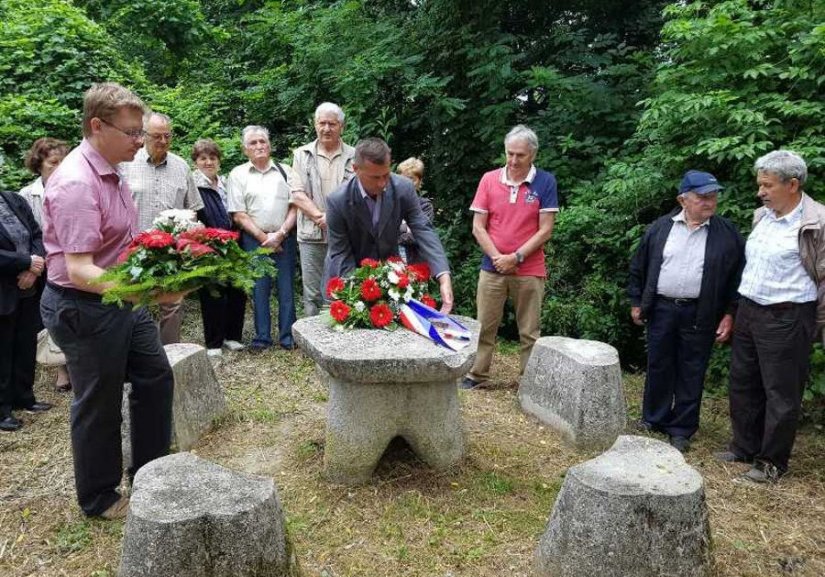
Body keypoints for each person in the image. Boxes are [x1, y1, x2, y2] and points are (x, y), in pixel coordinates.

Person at [40, 82, 176, 519]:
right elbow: (80, 268)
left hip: (118, 297)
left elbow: (121, 243)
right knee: (99, 402)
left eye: (142, 132)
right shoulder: (77, 183)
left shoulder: (113, 167)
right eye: (133, 132)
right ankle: (99, 498)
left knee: (155, 375)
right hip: (83, 305)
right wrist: (151, 292)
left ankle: (151, 474)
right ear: (97, 126)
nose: (140, 141)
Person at [716, 150, 825, 483]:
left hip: (787, 315)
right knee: (744, 381)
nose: (760, 192)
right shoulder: (763, 216)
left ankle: (770, 463)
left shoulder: (817, 223)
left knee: (781, 391)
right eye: (759, 184)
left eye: (767, 185)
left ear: (792, 184)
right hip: (751, 309)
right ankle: (744, 447)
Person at [628, 170, 745, 452]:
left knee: (692, 369)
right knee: (659, 364)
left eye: (713, 196)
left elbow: (738, 278)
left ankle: (681, 428)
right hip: (663, 309)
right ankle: (653, 418)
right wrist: (636, 301)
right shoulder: (660, 228)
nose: (710, 202)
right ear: (683, 199)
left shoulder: (727, 233)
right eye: (703, 197)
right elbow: (638, 267)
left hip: (701, 312)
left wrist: (730, 313)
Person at [461, 125, 557, 390]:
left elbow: (546, 229)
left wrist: (515, 257)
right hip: (491, 267)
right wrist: (497, 257)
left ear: (533, 155)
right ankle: (477, 374)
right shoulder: (489, 179)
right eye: (509, 153)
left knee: (529, 330)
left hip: (529, 268)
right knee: (484, 325)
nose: (514, 161)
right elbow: (478, 227)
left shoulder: (546, 182)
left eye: (520, 155)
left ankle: (530, 381)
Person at [323, 137, 453, 312]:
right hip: (346, 278)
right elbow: (340, 254)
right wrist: (362, 296)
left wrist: (443, 276)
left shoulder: (404, 188)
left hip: (389, 279)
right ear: (355, 169)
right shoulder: (337, 201)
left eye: (386, 174)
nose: (383, 183)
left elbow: (423, 229)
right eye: (375, 177)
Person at [120, 111, 203, 344]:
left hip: (171, 251)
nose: (164, 141)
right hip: (134, 250)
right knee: (135, 303)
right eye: (157, 136)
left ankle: (170, 356)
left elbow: (193, 208)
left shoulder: (181, 166)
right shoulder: (126, 164)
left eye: (168, 136)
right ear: (143, 135)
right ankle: (136, 357)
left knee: (173, 305)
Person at [227, 125, 298, 351]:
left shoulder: (286, 170)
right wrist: (264, 238)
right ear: (244, 149)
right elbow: (238, 214)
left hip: (285, 236)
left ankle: (288, 336)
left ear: (269, 144)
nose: (259, 146)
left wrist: (280, 234)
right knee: (259, 289)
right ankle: (262, 337)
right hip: (253, 240)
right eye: (253, 143)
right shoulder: (237, 174)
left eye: (262, 141)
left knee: (286, 289)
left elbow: (295, 206)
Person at [289, 102, 356, 316]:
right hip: (311, 234)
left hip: (345, 235)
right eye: (322, 123)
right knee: (312, 293)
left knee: (344, 289)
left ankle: (340, 341)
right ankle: (311, 343)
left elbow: (358, 195)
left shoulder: (355, 155)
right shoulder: (301, 154)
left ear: (341, 127)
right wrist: (321, 217)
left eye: (332, 124)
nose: (326, 128)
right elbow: (297, 193)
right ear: (315, 124)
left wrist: (333, 218)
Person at [19, 137, 72, 392]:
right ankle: (61, 367)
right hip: (43, 264)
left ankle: (76, 362)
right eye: (53, 163)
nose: (59, 168)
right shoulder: (27, 195)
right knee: (53, 317)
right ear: (39, 164)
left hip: (72, 261)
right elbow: (25, 234)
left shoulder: (75, 188)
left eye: (64, 162)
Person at [0, 189, 51, 432]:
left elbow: (37, 235)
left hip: (28, 287)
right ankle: (2, 409)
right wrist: (25, 263)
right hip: (4, 289)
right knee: (2, 349)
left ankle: (24, 397)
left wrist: (34, 267)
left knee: (24, 343)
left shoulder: (13, 199)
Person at [191, 139, 247, 356]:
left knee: (236, 290)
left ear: (219, 161)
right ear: (196, 161)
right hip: (209, 247)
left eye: (212, 158)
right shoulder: (195, 186)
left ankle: (233, 337)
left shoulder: (225, 183)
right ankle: (214, 342)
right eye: (203, 158)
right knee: (213, 293)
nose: (208, 162)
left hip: (234, 244)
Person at [396, 157, 435, 264]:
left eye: (411, 179)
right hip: (391, 265)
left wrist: (395, 237)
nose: (407, 183)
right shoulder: (390, 204)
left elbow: (418, 235)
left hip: (416, 263)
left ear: (420, 181)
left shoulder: (425, 206)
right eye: (403, 179)